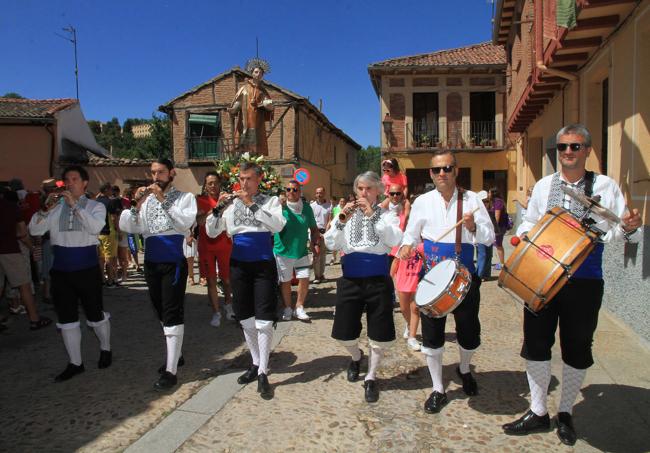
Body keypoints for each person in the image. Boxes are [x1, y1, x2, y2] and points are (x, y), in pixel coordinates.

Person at [502, 124, 642, 446]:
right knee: (536, 344)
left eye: (575, 147)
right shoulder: (543, 185)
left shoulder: (605, 187)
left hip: (585, 281)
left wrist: (632, 228)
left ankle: (565, 413)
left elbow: (621, 232)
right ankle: (537, 411)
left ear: (587, 150)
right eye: (562, 147)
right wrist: (523, 236)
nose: (567, 152)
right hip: (542, 277)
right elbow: (530, 221)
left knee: (576, 349)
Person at [398, 149, 495, 414]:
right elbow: (411, 235)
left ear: (456, 171)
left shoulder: (472, 199)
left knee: (468, 331)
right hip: (431, 276)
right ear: (431, 173)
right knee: (432, 335)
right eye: (437, 169)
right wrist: (407, 247)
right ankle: (438, 388)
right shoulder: (422, 202)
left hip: (464, 276)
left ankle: (464, 369)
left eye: (447, 168)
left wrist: (474, 226)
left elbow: (488, 238)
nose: (442, 173)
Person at [206, 161, 286, 399]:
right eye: (241, 179)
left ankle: (262, 371)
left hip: (263, 264)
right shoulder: (230, 205)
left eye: (249, 179)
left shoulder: (270, 201)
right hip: (239, 265)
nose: (244, 183)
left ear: (259, 179)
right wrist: (218, 209)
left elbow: (277, 225)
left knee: (263, 320)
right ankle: (255, 362)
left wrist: (251, 204)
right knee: (246, 318)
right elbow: (211, 232)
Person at [119, 159, 197, 390]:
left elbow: (185, 224)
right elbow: (130, 227)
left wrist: (163, 200)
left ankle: (171, 371)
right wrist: (135, 204)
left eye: (161, 172)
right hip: (152, 262)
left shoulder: (185, 198)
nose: (156, 177)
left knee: (172, 311)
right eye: (153, 173)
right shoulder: (146, 201)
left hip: (173, 261)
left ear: (171, 173)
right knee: (161, 310)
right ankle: (177, 354)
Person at [324, 171, 403, 403]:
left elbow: (394, 240)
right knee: (343, 332)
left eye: (368, 188)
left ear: (378, 191)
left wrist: (373, 216)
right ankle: (356, 356)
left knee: (378, 333)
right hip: (350, 279)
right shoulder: (344, 215)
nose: (363, 193)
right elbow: (330, 243)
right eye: (360, 188)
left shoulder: (387, 215)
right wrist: (340, 222)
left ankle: (371, 376)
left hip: (378, 280)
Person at [28, 166, 110, 381]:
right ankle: (75, 362)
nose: (70, 182)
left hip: (87, 270)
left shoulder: (95, 206)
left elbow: (95, 228)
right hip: (61, 271)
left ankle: (106, 348)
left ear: (84, 183)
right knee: (66, 319)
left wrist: (75, 206)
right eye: (67, 179)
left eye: (75, 179)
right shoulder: (55, 208)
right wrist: (45, 210)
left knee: (95, 314)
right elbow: (35, 231)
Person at [0, 188, 52, 331]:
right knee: (24, 285)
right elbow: (22, 233)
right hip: (10, 250)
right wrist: (32, 248)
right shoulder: (11, 208)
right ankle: (34, 319)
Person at [275, 180, 320, 322]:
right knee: (286, 281)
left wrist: (315, 243)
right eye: (288, 189)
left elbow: (313, 228)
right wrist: (279, 208)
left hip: (301, 250)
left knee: (305, 277)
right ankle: (288, 308)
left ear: (300, 192)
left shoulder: (306, 208)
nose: (291, 192)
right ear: (285, 191)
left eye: (295, 190)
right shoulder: (280, 207)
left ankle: (299, 307)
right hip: (283, 251)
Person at [196, 172, 235, 327]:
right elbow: (199, 221)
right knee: (211, 279)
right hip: (206, 246)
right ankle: (216, 312)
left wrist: (224, 203)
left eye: (215, 182)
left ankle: (229, 305)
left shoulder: (228, 199)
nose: (213, 186)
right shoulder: (200, 200)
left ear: (220, 183)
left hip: (224, 244)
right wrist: (216, 207)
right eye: (209, 183)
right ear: (205, 186)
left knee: (226, 278)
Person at [228, 59, 274, 155]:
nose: (258, 74)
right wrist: (233, 109)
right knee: (244, 141)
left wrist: (268, 105)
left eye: (261, 73)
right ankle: (245, 157)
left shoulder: (263, 91)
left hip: (257, 120)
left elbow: (270, 106)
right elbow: (239, 101)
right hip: (245, 119)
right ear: (252, 73)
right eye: (256, 72)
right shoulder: (244, 88)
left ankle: (254, 158)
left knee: (256, 143)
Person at [96, 182, 121, 287]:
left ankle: (102, 279)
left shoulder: (96, 202)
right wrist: (118, 231)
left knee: (101, 258)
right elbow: (113, 218)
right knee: (110, 257)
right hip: (109, 232)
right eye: (111, 189)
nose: (112, 191)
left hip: (98, 233)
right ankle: (111, 280)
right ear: (106, 190)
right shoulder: (110, 202)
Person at [310, 187, 332, 283]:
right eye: (317, 193)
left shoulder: (329, 205)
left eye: (321, 193)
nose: (319, 195)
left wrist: (326, 233)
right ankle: (316, 276)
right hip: (314, 232)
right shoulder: (312, 206)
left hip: (325, 232)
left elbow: (330, 220)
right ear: (315, 194)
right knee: (316, 254)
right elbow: (311, 220)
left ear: (324, 193)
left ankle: (321, 274)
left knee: (323, 254)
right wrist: (315, 232)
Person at [487, 187, 507, 271]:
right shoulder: (494, 202)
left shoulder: (498, 202)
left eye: (489, 192)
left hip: (499, 227)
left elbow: (497, 216)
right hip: (498, 227)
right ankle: (501, 262)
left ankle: (502, 264)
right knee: (497, 245)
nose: (488, 194)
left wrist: (494, 228)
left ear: (493, 193)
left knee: (498, 245)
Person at [328, 197, 346, 264]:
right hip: (335, 229)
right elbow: (331, 219)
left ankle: (342, 258)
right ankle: (333, 257)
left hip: (344, 230)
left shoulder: (347, 209)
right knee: (335, 244)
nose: (342, 203)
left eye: (344, 201)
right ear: (339, 202)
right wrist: (329, 228)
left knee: (343, 244)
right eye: (341, 201)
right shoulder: (335, 209)